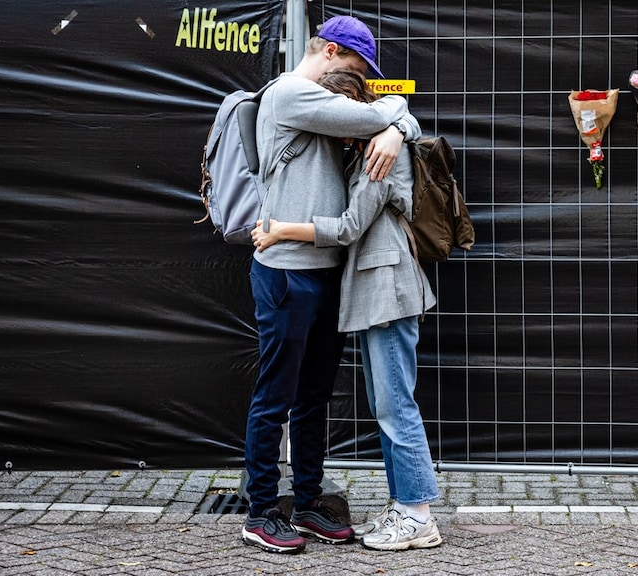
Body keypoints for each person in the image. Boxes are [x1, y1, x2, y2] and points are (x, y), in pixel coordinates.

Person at [241, 16, 422, 555]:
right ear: (331, 50)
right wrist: (394, 125)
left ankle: (310, 499)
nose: (363, 79)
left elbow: (387, 113)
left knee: (315, 395)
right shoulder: (291, 93)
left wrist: (396, 126)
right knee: (276, 394)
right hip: (286, 270)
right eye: (357, 66)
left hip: (325, 270)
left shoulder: (322, 100)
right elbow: (382, 111)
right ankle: (260, 510)